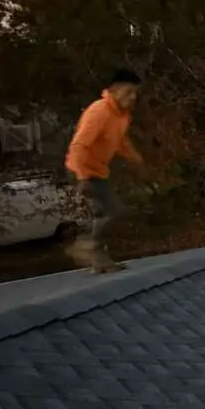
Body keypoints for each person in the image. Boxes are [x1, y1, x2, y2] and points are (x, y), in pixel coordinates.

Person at [65, 68, 143, 272]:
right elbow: (78, 146)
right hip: (82, 169)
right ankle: (84, 246)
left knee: (104, 214)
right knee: (113, 211)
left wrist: (136, 158)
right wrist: (82, 178)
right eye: (128, 92)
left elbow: (120, 141)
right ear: (114, 91)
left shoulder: (122, 116)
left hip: (98, 171)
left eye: (135, 93)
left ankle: (99, 263)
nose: (133, 97)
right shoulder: (99, 111)